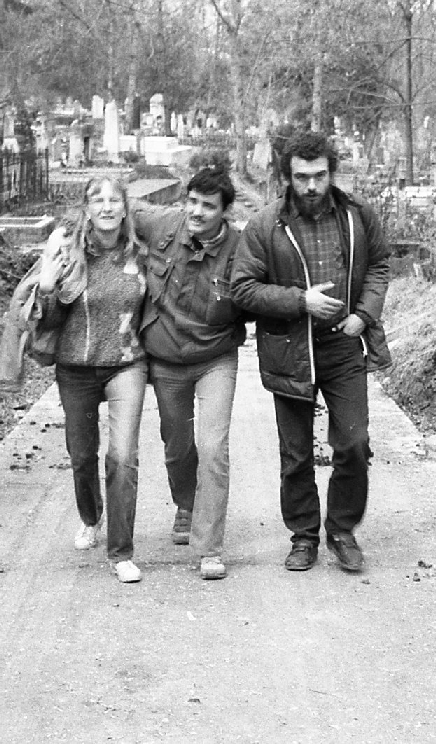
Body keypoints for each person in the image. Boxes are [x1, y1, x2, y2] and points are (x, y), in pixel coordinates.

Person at [230, 131, 391, 573]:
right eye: (302, 177)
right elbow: (243, 287)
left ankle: (341, 529)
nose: (312, 187)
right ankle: (303, 536)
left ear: (331, 173)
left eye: (319, 176)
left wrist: (364, 313)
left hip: (342, 344)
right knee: (296, 451)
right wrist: (299, 300)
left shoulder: (358, 217)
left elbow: (379, 264)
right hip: (290, 348)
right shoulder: (267, 225)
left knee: (354, 442)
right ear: (288, 177)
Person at [135, 167, 247, 580]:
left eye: (208, 206)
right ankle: (186, 503)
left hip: (215, 356)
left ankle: (209, 547)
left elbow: (262, 290)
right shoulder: (164, 224)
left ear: (225, 211)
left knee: (213, 446)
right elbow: (111, 207)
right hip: (166, 358)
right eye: (193, 201)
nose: (197, 212)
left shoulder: (242, 247)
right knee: (177, 446)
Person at [38, 176, 148, 584]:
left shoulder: (141, 255)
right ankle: (91, 516)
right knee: (82, 455)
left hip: (126, 364)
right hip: (76, 368)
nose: (106, 207)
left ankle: (121, 551)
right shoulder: (68, 253)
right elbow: (48, 320)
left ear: (125, 208)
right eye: (97, 200)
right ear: (86, 208)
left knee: (122, 456)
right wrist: (48, 287)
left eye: (113, 200)